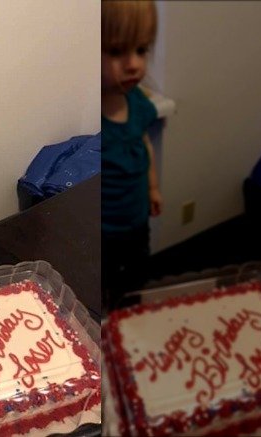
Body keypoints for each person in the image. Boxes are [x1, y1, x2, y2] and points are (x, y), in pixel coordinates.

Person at [101, 0, 161, 311]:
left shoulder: (138, 104)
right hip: (104, 232)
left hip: (137, 222)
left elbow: (144, 144)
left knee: (136, 284)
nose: (134, 64)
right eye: (116, 51)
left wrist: (153, 188)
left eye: (141, 50)